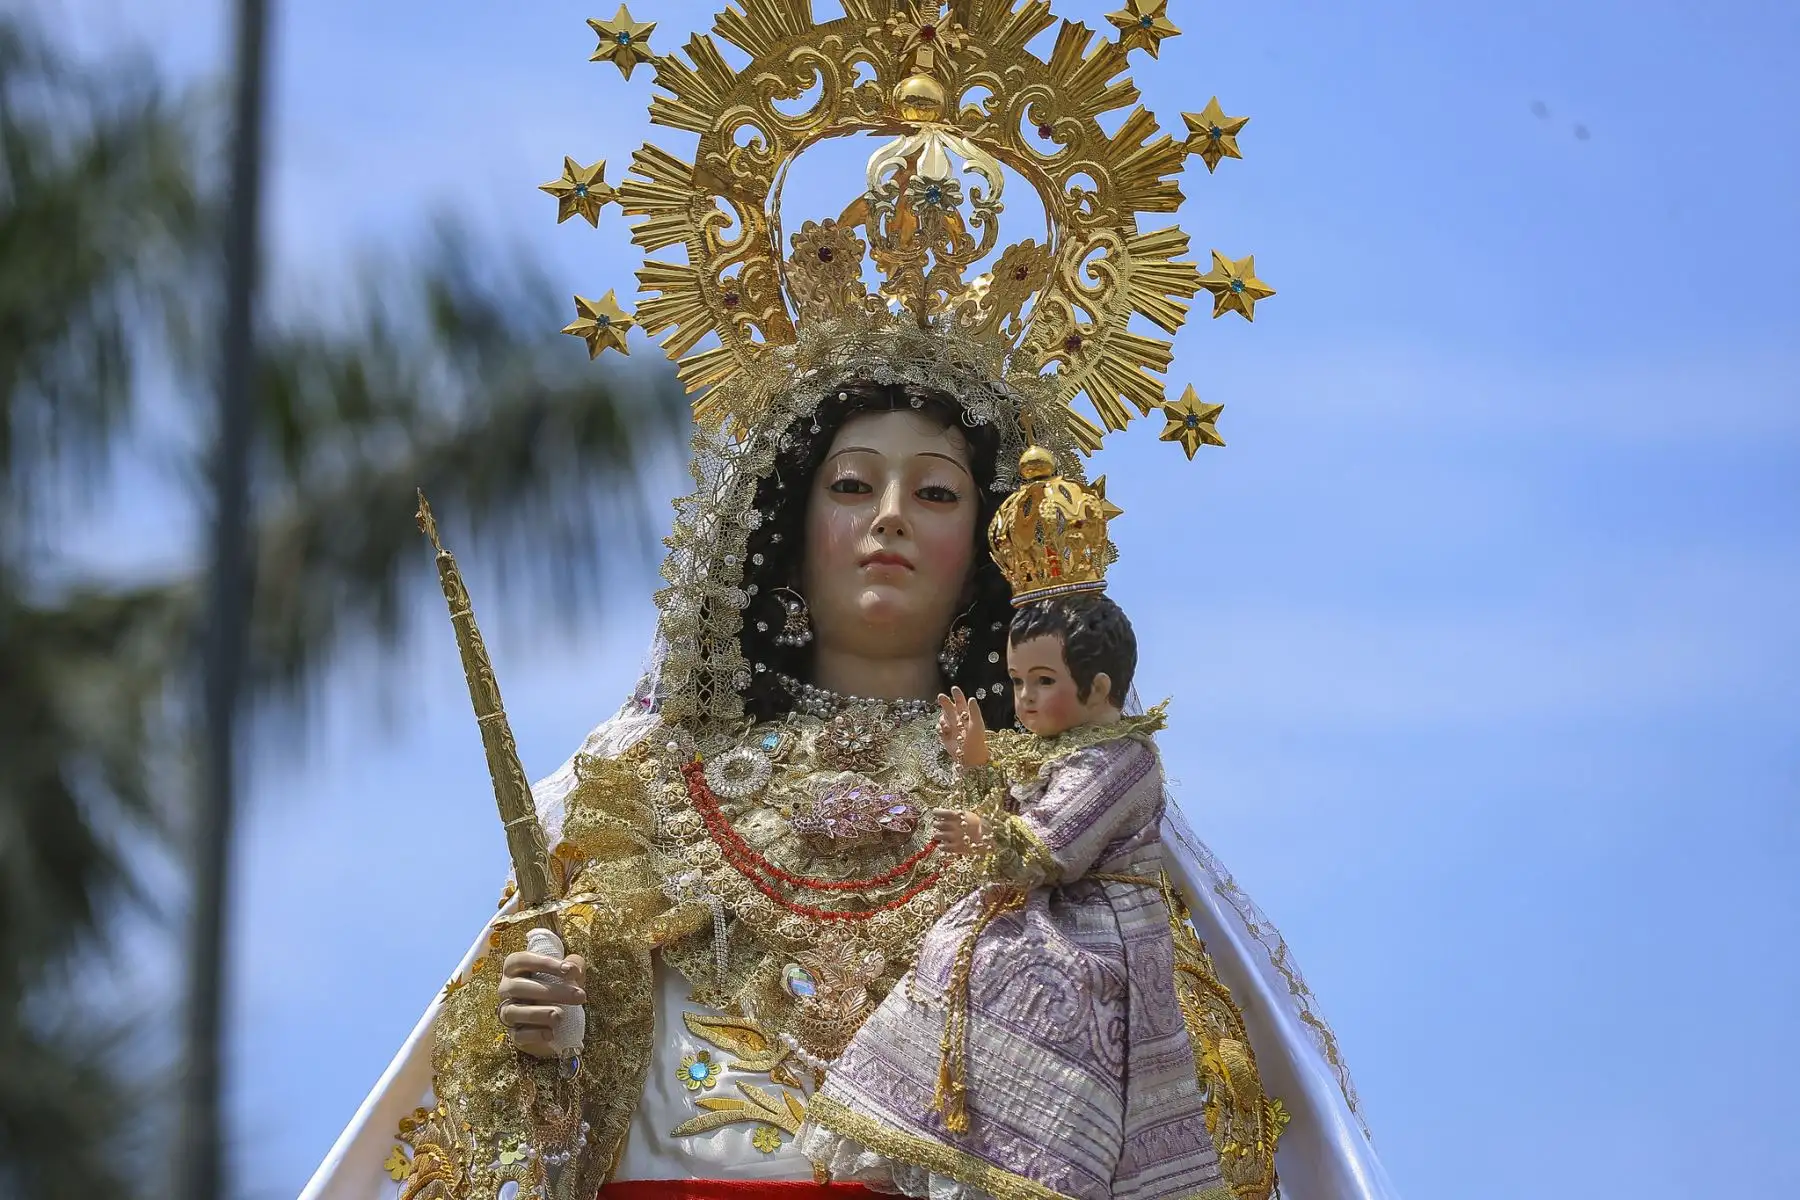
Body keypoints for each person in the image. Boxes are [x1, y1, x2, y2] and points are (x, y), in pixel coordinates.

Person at [300, 3, 1399, 1198]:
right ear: (784, 527)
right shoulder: (640, 795)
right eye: (852, 485)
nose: (889, 518)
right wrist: (547, 1052)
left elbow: (1170, 1125)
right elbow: (532, 1154)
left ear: (989, 545)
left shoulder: (1069, 810)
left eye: (935, 493)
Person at [797, 458, 1229, 1200]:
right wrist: (976, 762)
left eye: (1043, 682)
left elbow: (1055, 843)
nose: (1023, 700)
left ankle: (1032, 1154)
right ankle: (951, 1131)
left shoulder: (1122, 760)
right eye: (1019, 681)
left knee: (1028, 978)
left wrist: (991, 835)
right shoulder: (1055, 752)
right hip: (1035, 905)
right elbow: (1015, 814)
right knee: (957, 953)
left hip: (1098, 936)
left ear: (1099, 686)